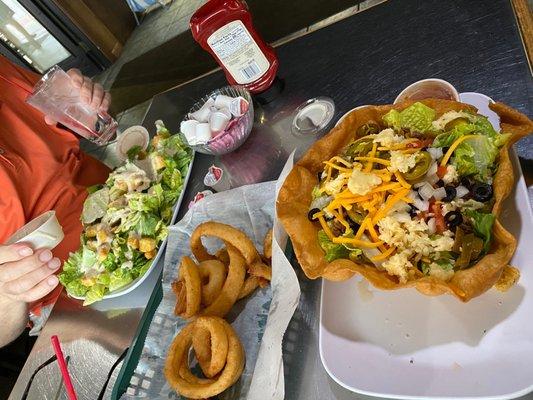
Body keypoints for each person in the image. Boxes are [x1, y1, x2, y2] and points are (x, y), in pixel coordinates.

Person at [0, 55, 111, 348]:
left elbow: (71, 125)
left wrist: (84, 103)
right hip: (71, 294)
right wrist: (7, 294)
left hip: (121, 199)